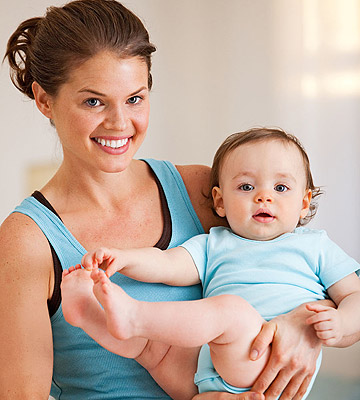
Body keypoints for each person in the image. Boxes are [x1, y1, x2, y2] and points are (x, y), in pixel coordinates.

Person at [0, 0, 343, 398]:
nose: (119, 123)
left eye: (135, 98)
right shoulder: (26, 242)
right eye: (93, 101)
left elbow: (293, 268)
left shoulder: (200, 190)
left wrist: (304, 329)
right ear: (45, 101)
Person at [62, 128, 360, 397]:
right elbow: (166, 264)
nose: (263, 197)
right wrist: (125, 258)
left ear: (304, 202)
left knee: (230, 311)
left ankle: (134, 317)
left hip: (266, 363)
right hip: (205, 375)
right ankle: (88, 314)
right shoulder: (215, 243)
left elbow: (354, 295)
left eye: (281, 188)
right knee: (153, 348)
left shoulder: (314, 245)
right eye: (246, 187)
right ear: (219, 201)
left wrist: (344, 321)